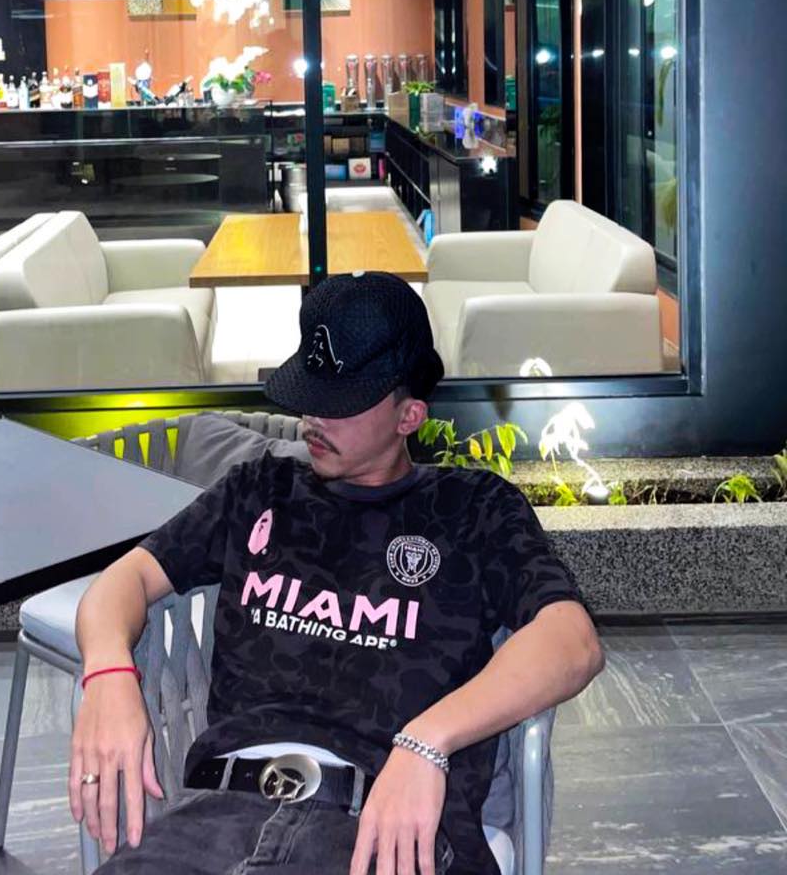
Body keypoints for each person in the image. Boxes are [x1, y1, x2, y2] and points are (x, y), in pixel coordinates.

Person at [70, 272, 604, 875]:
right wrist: (109, 673)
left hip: (385, 829)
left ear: (409, 415)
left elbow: (572, 641)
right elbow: (125, 581)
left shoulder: (473, 508)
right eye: (310, 391)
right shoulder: (258, 489)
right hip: (216, 818)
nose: (313, 416)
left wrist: (427, 740)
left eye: (341, 401)